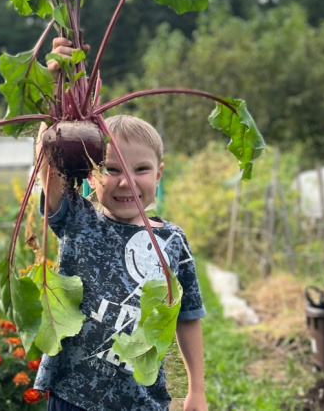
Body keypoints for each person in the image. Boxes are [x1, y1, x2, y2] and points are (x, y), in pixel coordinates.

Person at [33, 38, 208, 411]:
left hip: (141, 400)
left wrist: (197, 389)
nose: (126, 182)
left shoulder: (173, 241)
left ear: (159, 174)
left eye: (140, 169)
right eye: (112, 170)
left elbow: (188, 316)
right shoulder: (79, 221)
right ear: (91, 177)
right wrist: (57, 89)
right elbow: (50, 159)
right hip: (72, 395)